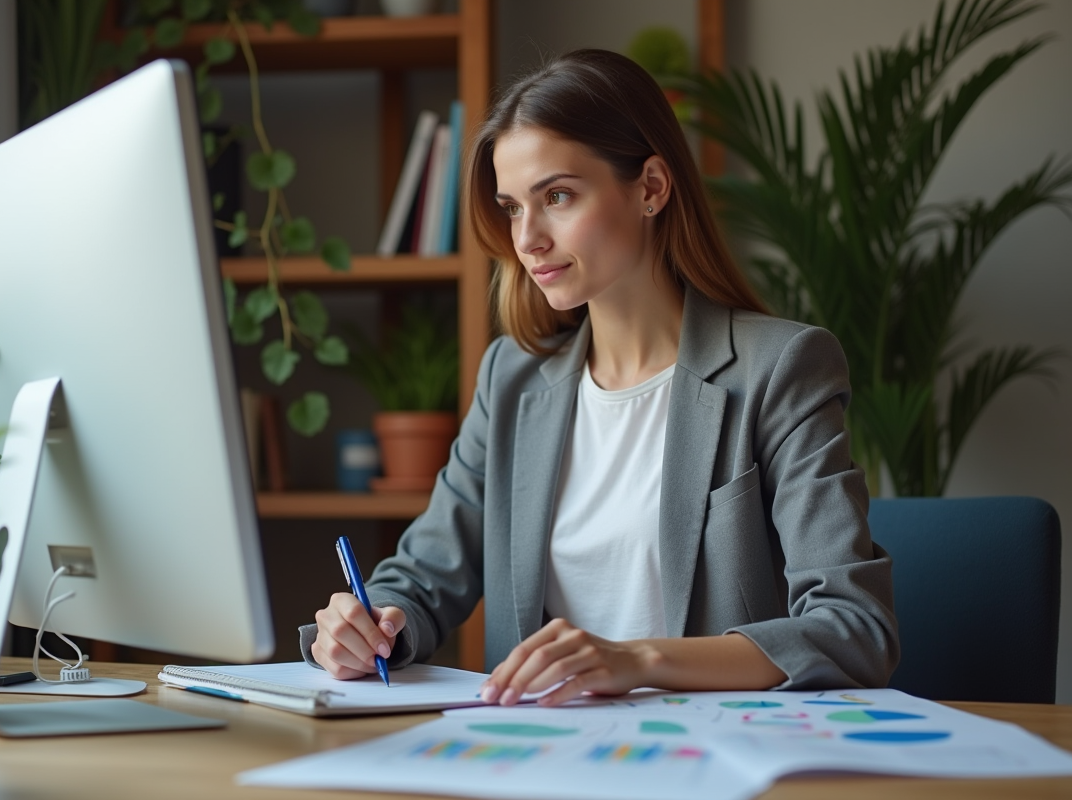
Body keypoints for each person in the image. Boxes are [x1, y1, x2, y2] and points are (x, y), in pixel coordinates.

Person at [301, 49, 898, 706]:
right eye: (512, 206)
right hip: (537, 759)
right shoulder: (511, 380)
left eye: (557, 196)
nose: (526, 238)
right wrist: (370, 624)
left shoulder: (780, 370)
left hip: (711, 759)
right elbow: (419, 580)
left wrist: (635, 660)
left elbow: (853, 628)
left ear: (650, 188)